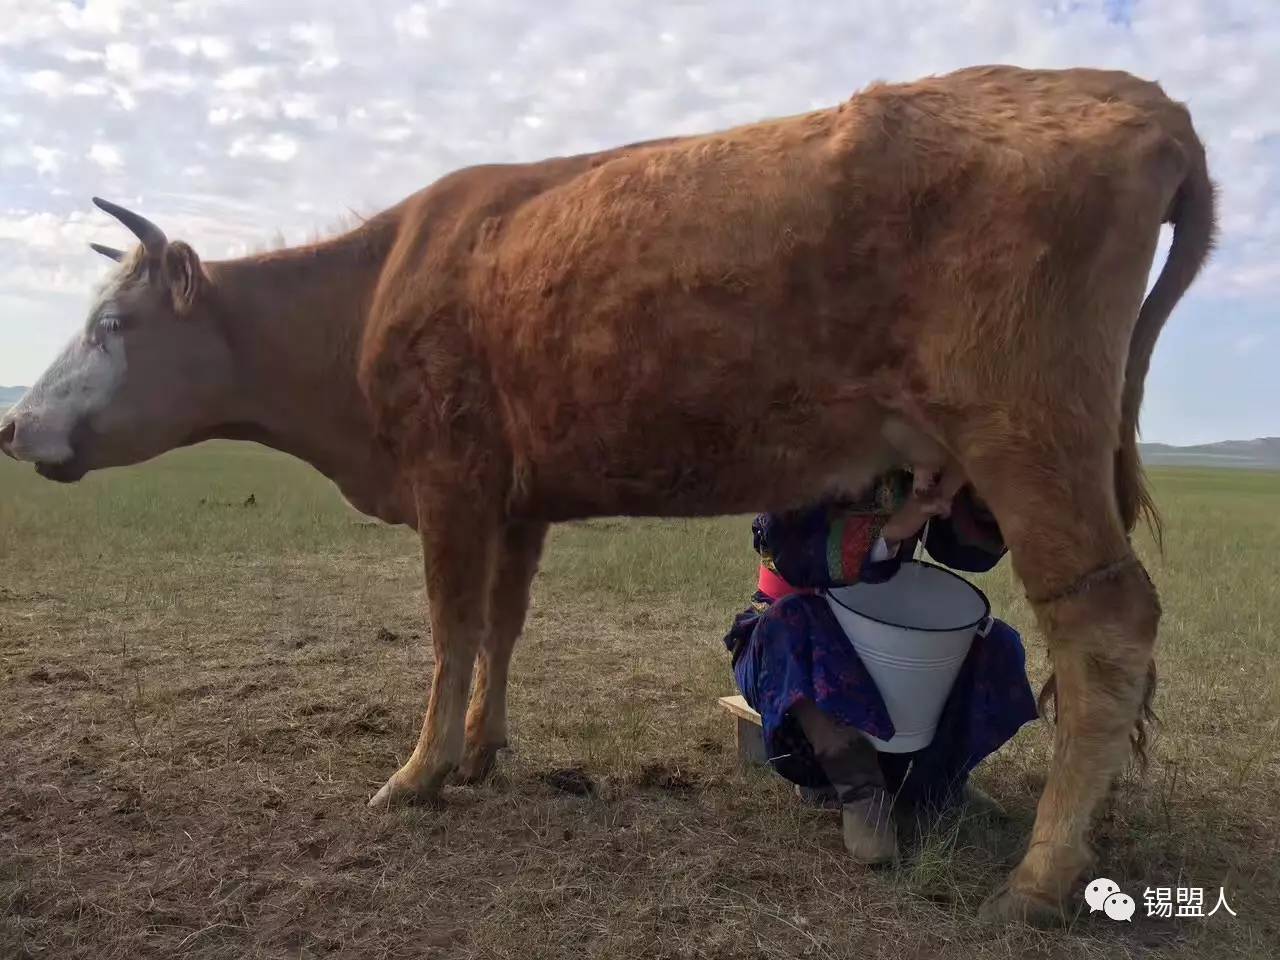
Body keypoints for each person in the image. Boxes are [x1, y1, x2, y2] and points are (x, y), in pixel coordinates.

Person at [722, 469, 1039, 863]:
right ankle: (859, 789)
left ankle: (935, 786)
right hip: (793, 645)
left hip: (886, 639)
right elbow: (791, 554)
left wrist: (977, 489)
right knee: (790, 623)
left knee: (997, 645)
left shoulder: (920, 460)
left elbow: (968, 553)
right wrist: (891, 529)